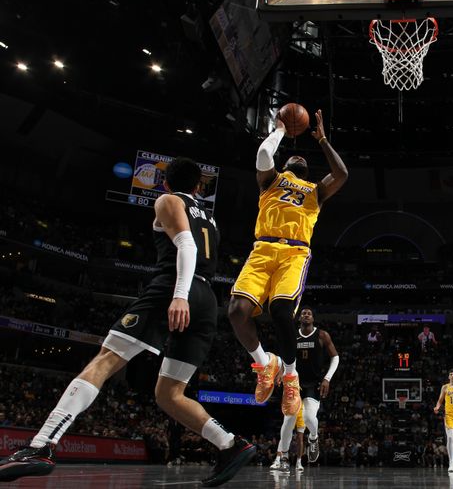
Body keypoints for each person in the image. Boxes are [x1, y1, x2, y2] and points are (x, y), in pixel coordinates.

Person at [0, 158, 255, 486]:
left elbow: (186, 245)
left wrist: (179, 294)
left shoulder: (168, 200)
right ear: (199, 187)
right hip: (207, 300)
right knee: (169, 394)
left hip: (174, 287)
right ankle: (231, 444)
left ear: (165, 184)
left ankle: (41, 445)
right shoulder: (211, 219)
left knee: (104, 360)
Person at [227, 110, 347, 416]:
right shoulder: (270, 180)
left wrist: (322, 140)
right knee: (236, 311)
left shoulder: (316, 191)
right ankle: (267, 364)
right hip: (262, 249)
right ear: (286, 165)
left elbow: (343, 174)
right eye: (294, 158)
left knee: (280, 311)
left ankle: (290, 377)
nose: (299, 158)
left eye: (303, 160)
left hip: (294, 252)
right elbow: (264, 152)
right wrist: (280, 128)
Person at [273, 307, 340, 470]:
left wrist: (327, 378)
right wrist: (281, 371)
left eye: (309, 313)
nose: (306, 315)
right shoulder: (293, 336)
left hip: (314, 383)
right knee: (288, 421)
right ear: (299, 318)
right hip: (294, 382)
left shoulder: (322, 335)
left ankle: (314, 438)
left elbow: (335, 357)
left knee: (309, 418)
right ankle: (282, 458)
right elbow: (285, 357)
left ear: (313, 318)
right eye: (303, 313)